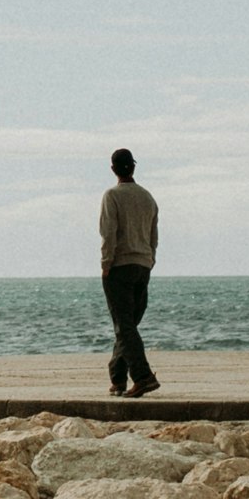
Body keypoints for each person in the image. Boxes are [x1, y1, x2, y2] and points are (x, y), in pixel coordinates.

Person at [96, 147, 160, 397]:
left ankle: (143, 377)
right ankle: (118, 377)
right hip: (143, 265)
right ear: (133, 167)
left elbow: (108, 232)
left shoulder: (112, 195)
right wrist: (150, 258)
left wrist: (106, 263)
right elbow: (154, 235)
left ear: (113, 169)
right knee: (128, 325)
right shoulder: (147, 197)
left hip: (120, 265)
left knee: (124, 326)